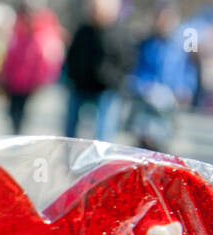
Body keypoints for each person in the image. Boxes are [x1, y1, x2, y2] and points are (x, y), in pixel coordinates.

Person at [127, 5, 191, 152]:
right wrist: (144, 87)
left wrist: (185, 89)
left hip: (169, 105)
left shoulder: (182, 46)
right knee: (142, 146)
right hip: (146, 102)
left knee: (162, 148)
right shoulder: (145, 43)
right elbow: (135, 71)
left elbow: (187, 72)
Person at [63, 0, 130, 141]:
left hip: (106, 89)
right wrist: (73, 76)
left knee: (104, 130)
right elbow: (72, 56)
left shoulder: (118, 33)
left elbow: (126, 60)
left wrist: (112, 79)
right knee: (70, 128)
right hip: (81, 86)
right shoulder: (83, 31)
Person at [0, 2, 64, 134]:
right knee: (13, 115)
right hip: (14, 82)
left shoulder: (44, 34)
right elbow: (10, 57)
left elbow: (47, 62)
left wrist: (39, 81)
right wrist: (5, 75)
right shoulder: (18, 32)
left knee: (26, 117)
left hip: (32, 85)